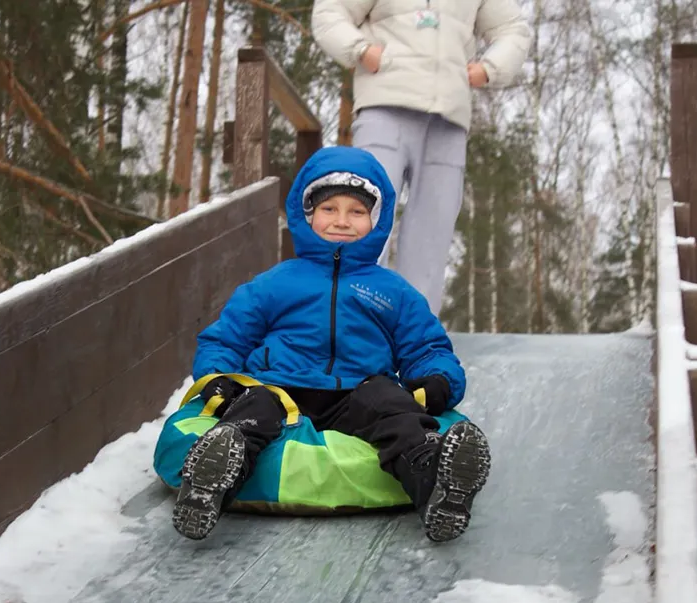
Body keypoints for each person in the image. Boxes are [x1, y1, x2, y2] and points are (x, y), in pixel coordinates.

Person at [172, 146, 490, 543]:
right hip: (281, 388)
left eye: (357, 212)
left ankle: (435, 482)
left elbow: (426, 347)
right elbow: (227, 336)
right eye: (329, 209)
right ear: (307, 215)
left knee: (391, 404)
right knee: (255, 407)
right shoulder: (276, 282)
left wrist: (438, 380)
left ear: (376, 220)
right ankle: (211, 481)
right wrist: (219, 377)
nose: (342, 221)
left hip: (357, 394)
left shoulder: (393, 291)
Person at [311, 0, 530, 314]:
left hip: (448, 122)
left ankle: (416, 344)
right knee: (365, 218)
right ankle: (349, 332)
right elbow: (330, 12)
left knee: (433, 233)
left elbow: (514, 29)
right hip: (384, 108)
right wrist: (363, 51)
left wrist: (488, 69)